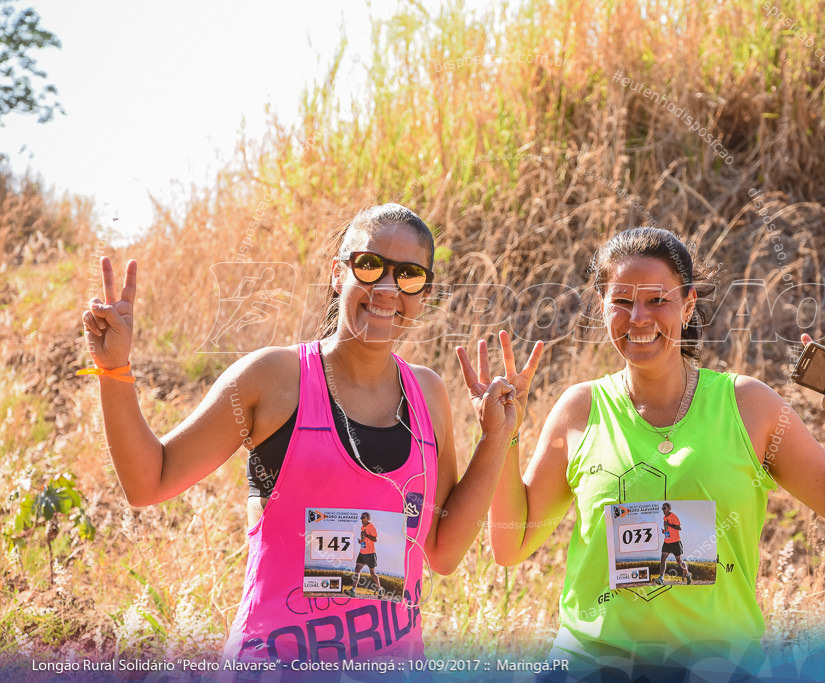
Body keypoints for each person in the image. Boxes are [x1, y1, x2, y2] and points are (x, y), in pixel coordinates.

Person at [79, 203, 539, 666]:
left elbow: (442, 549)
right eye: (370, 264)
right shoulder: (273, 379)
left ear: (424, 293)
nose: (386, 288)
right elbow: (149, 481)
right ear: (337, 273)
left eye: (409, 275)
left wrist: (495, 439)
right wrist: (114, 370)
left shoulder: (428, 393)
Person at [485, 227, 825, 677]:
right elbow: (510, 545)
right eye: (621, 301)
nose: (638, 317)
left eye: (658, 300)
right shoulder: (580, 409)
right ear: (602, 306)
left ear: (689, 304)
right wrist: (503, 437)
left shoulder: (749, 407)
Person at [348, 512, 382, 597]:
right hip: (362, 553)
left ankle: (379, 588)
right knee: (357, 570)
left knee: (372, 573)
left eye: (363, 517)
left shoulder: (371, 527)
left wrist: (366, 535)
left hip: (370, 554)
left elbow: (374, 539)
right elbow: (365, 540)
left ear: (368, 518)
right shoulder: (362, 528)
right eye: (361, 517)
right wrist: (361, 541)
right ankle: (353, 590)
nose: (361, 519)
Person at [656, 502, 691, 586]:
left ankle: (687, 574)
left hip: (675, 542)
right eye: (662, 508)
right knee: (663, 559)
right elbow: (668, 529)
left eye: (664, 508)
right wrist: (665, 531)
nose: (663, 510)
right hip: (667, 542)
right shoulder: (664, 518)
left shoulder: (674, 516)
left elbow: (679, 527)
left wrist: (670, 525)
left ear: (669, 509)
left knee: (679, 561)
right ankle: (661, 578)